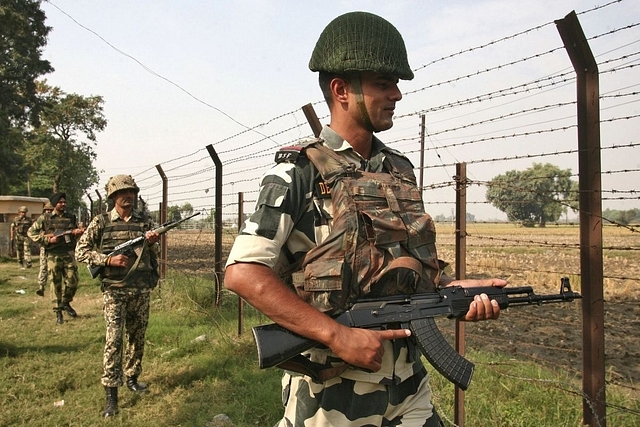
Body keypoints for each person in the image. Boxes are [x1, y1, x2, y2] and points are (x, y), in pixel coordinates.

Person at [224, 11, 507, 427]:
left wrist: (451, 291)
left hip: (409, 388)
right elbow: (243, 273)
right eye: (383, 83)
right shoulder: (297, 172)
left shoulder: (399, 169)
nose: (396, 94)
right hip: (333, 398)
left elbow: (400, 269)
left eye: (395, 84)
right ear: (341, 89)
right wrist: (338, 335)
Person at [75, 175, 160, 418]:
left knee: (137, 336)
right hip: (114, 290)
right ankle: (111, 394)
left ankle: (132, 377)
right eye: (123, 193)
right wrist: (108, 259)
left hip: (141, 289)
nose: (128, 197)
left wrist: (152, 242)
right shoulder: (101, 222)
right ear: (112, 197)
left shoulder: (144, 221)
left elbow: (151, 251)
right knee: (114, 340)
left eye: (132, 192)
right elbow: (80, 250)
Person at [28, 193, 85, 324]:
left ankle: (65, 302)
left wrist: (77, 232)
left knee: (73, 281)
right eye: (60, 202)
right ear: (55, 204)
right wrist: (47, 240)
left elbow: (73, 234)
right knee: (55, 283)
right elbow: (31, 232)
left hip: (68, 253)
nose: (63, 204)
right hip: (53, 255)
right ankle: (58, 310)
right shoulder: (45, 218)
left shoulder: (71, 218)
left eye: (64, 202)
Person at [35, 202, 55, 296]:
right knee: (43, 266)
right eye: (47, 210)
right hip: (45, 246)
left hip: (56, 248)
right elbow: (35, 233)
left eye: (50, 210)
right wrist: (46, 237)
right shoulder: (42, 220)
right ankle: (41, 287)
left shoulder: (58, 219)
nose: (48, 212)